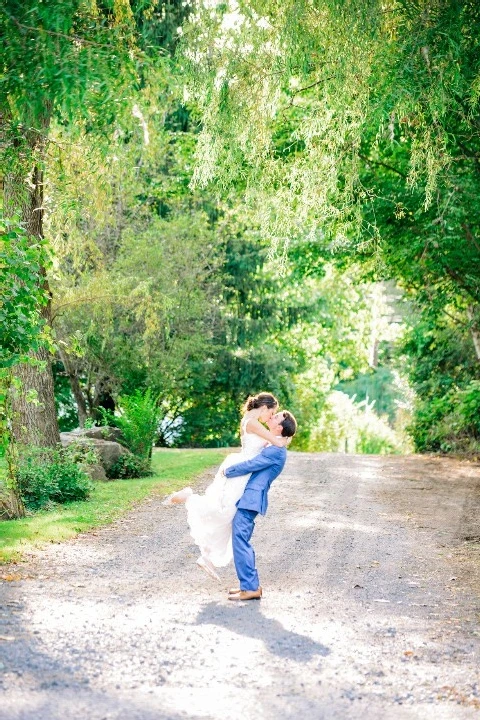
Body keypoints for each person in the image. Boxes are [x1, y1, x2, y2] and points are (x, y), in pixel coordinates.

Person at [162, 393, 290, 581]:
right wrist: (286, 438)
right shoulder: (253, 423)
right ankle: (189, 497)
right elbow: (276, 441)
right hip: (241, 471)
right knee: (225, 513)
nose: (270, 417)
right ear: (264, 407)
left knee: (227, 516)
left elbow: (266, 443)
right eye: (272, 413)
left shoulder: (250, 421)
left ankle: (206, 557)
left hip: (243, 471)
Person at [224, 410, 297, 601]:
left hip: (252, 498)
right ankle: (248, 585)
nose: (273, 416)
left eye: (277, 416)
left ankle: (250, 587)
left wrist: (227, 471)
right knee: (241, 537)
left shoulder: (276, 449)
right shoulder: (274, 444)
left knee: (240, 538)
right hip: (249, 497)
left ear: (280, 427)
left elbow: (252, 465)